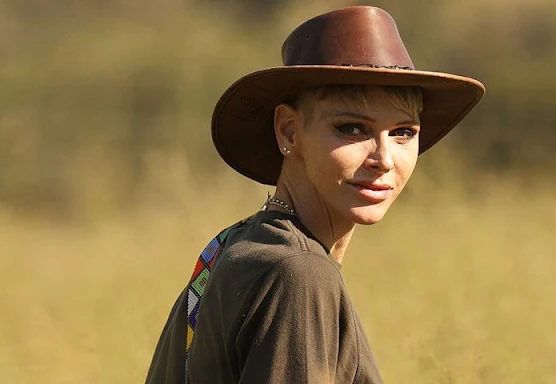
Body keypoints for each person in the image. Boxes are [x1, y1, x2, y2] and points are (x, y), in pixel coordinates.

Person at [145, 5, 484, 384]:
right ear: (289, 131)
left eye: (403, 132)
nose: (384, 159)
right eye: (352, 128)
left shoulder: (240, 244)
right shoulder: (298, 272)